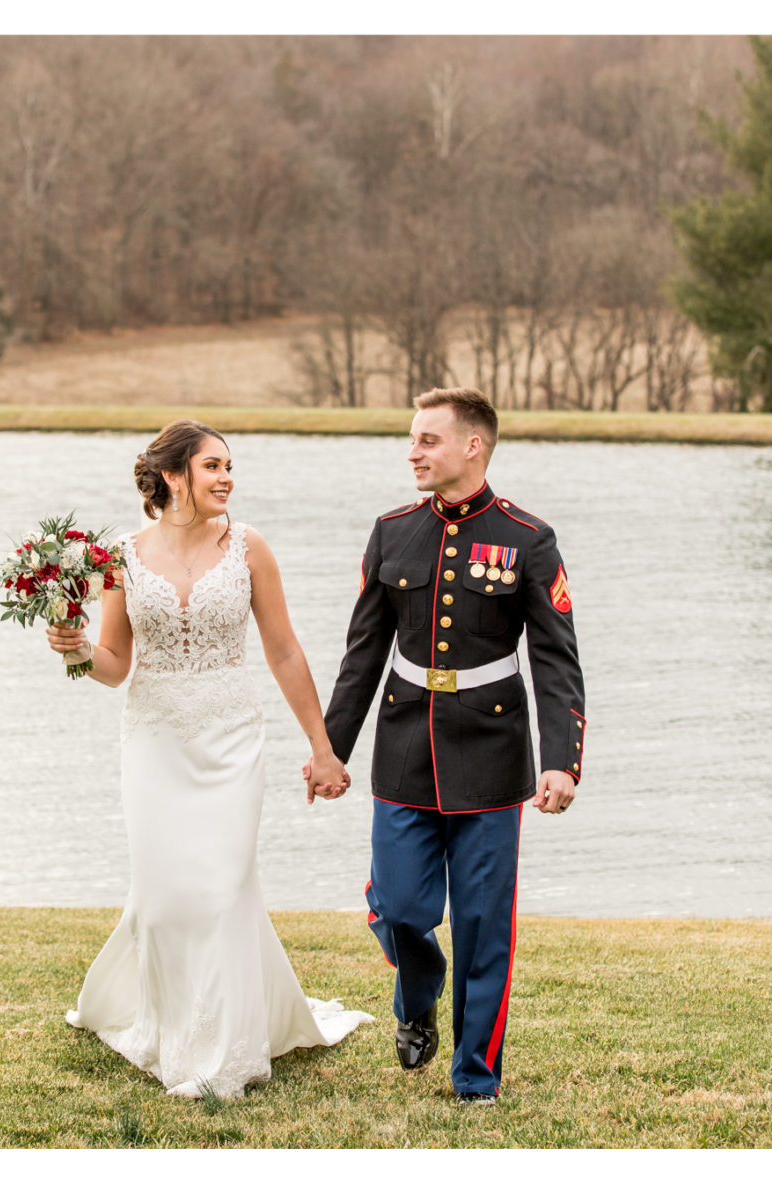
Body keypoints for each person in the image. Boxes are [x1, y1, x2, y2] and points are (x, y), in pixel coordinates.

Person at [43, 419, 372, 1100]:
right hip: (155, 739)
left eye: (230, 466)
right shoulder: (121, 557)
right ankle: (169, 1033)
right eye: (212, 466)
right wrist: (73, 647)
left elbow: (283, 651)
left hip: (230, 738)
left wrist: (322, 745)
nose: (226, 478)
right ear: (172, 476)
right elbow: (114, 664)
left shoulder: (249, 548)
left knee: (221, 891)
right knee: (165, 902)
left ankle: (224, 1054)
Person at [307, 387, 586, 1105]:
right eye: (412, 439)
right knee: (397, 906)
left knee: (482, 922)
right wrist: (330, 748)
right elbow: (362, 654)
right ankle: (418, 992)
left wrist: (562, 760)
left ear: (473, 446)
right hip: (403, 746)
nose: (413, 452)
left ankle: (475, 1079)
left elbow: (556, 659)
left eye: (428, 440)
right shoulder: (392, 531)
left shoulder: (528, 538)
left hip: (493, 754)